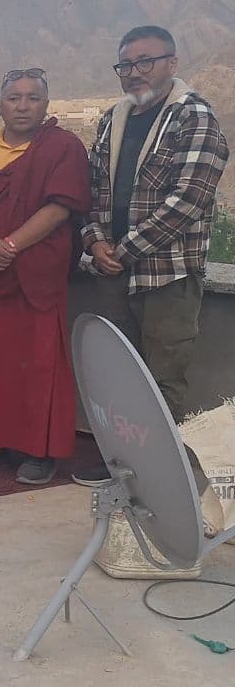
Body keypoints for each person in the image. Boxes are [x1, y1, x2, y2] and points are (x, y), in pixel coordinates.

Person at [75, 26, 230, 486]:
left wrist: (120, 250)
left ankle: (163, 478)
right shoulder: (112, 120)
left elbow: (188, 201)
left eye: (146, 62)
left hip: (169, 275)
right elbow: (94, 190)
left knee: (163, 377)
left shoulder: (194, 117)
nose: (135, 73)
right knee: (119, 374)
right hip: (113, 272)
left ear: (172, 63)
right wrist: (94, 241)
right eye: (126, 65)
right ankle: (122, 468)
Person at [0, 68, 90, 485]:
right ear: (0, 104)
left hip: (32, 274)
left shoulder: (62, 148)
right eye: (14, 98)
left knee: (36, 364)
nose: (23, 105)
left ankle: (37, 450)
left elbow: (59, 209)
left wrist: (6, 248)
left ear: (46, 104)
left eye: (32, 97)